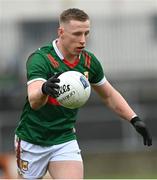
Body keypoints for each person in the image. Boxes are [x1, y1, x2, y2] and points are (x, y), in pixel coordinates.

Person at [15, 8, 152, 179]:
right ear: (61, 32)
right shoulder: (40, 59)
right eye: (77, 34)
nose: (83, 40)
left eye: (86, 33)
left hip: (63, 139)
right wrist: (44, 90)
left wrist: (134, 119)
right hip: (32, 141)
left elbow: (109, 95)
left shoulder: (88, 62)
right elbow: (34, 100)